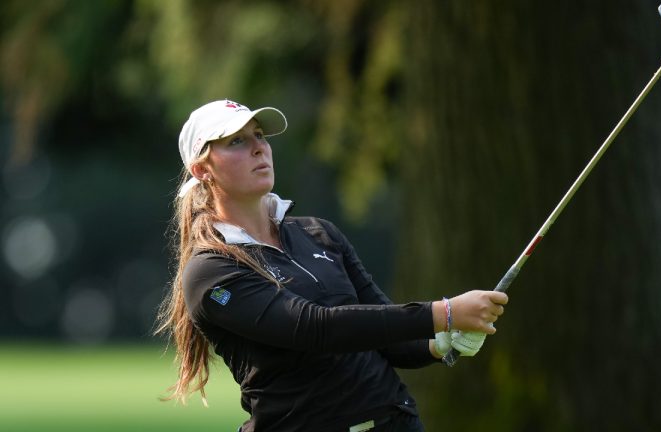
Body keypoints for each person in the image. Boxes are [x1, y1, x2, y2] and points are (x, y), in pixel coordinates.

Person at [156, 99, 508, 432]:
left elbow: (387, 338)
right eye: (236, 141)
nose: (258, 148)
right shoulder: (211, 272)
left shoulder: (318, 233)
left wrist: (442, 344)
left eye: (259, 136)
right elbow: (314, 330)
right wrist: (444, 312)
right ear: (202, 170)